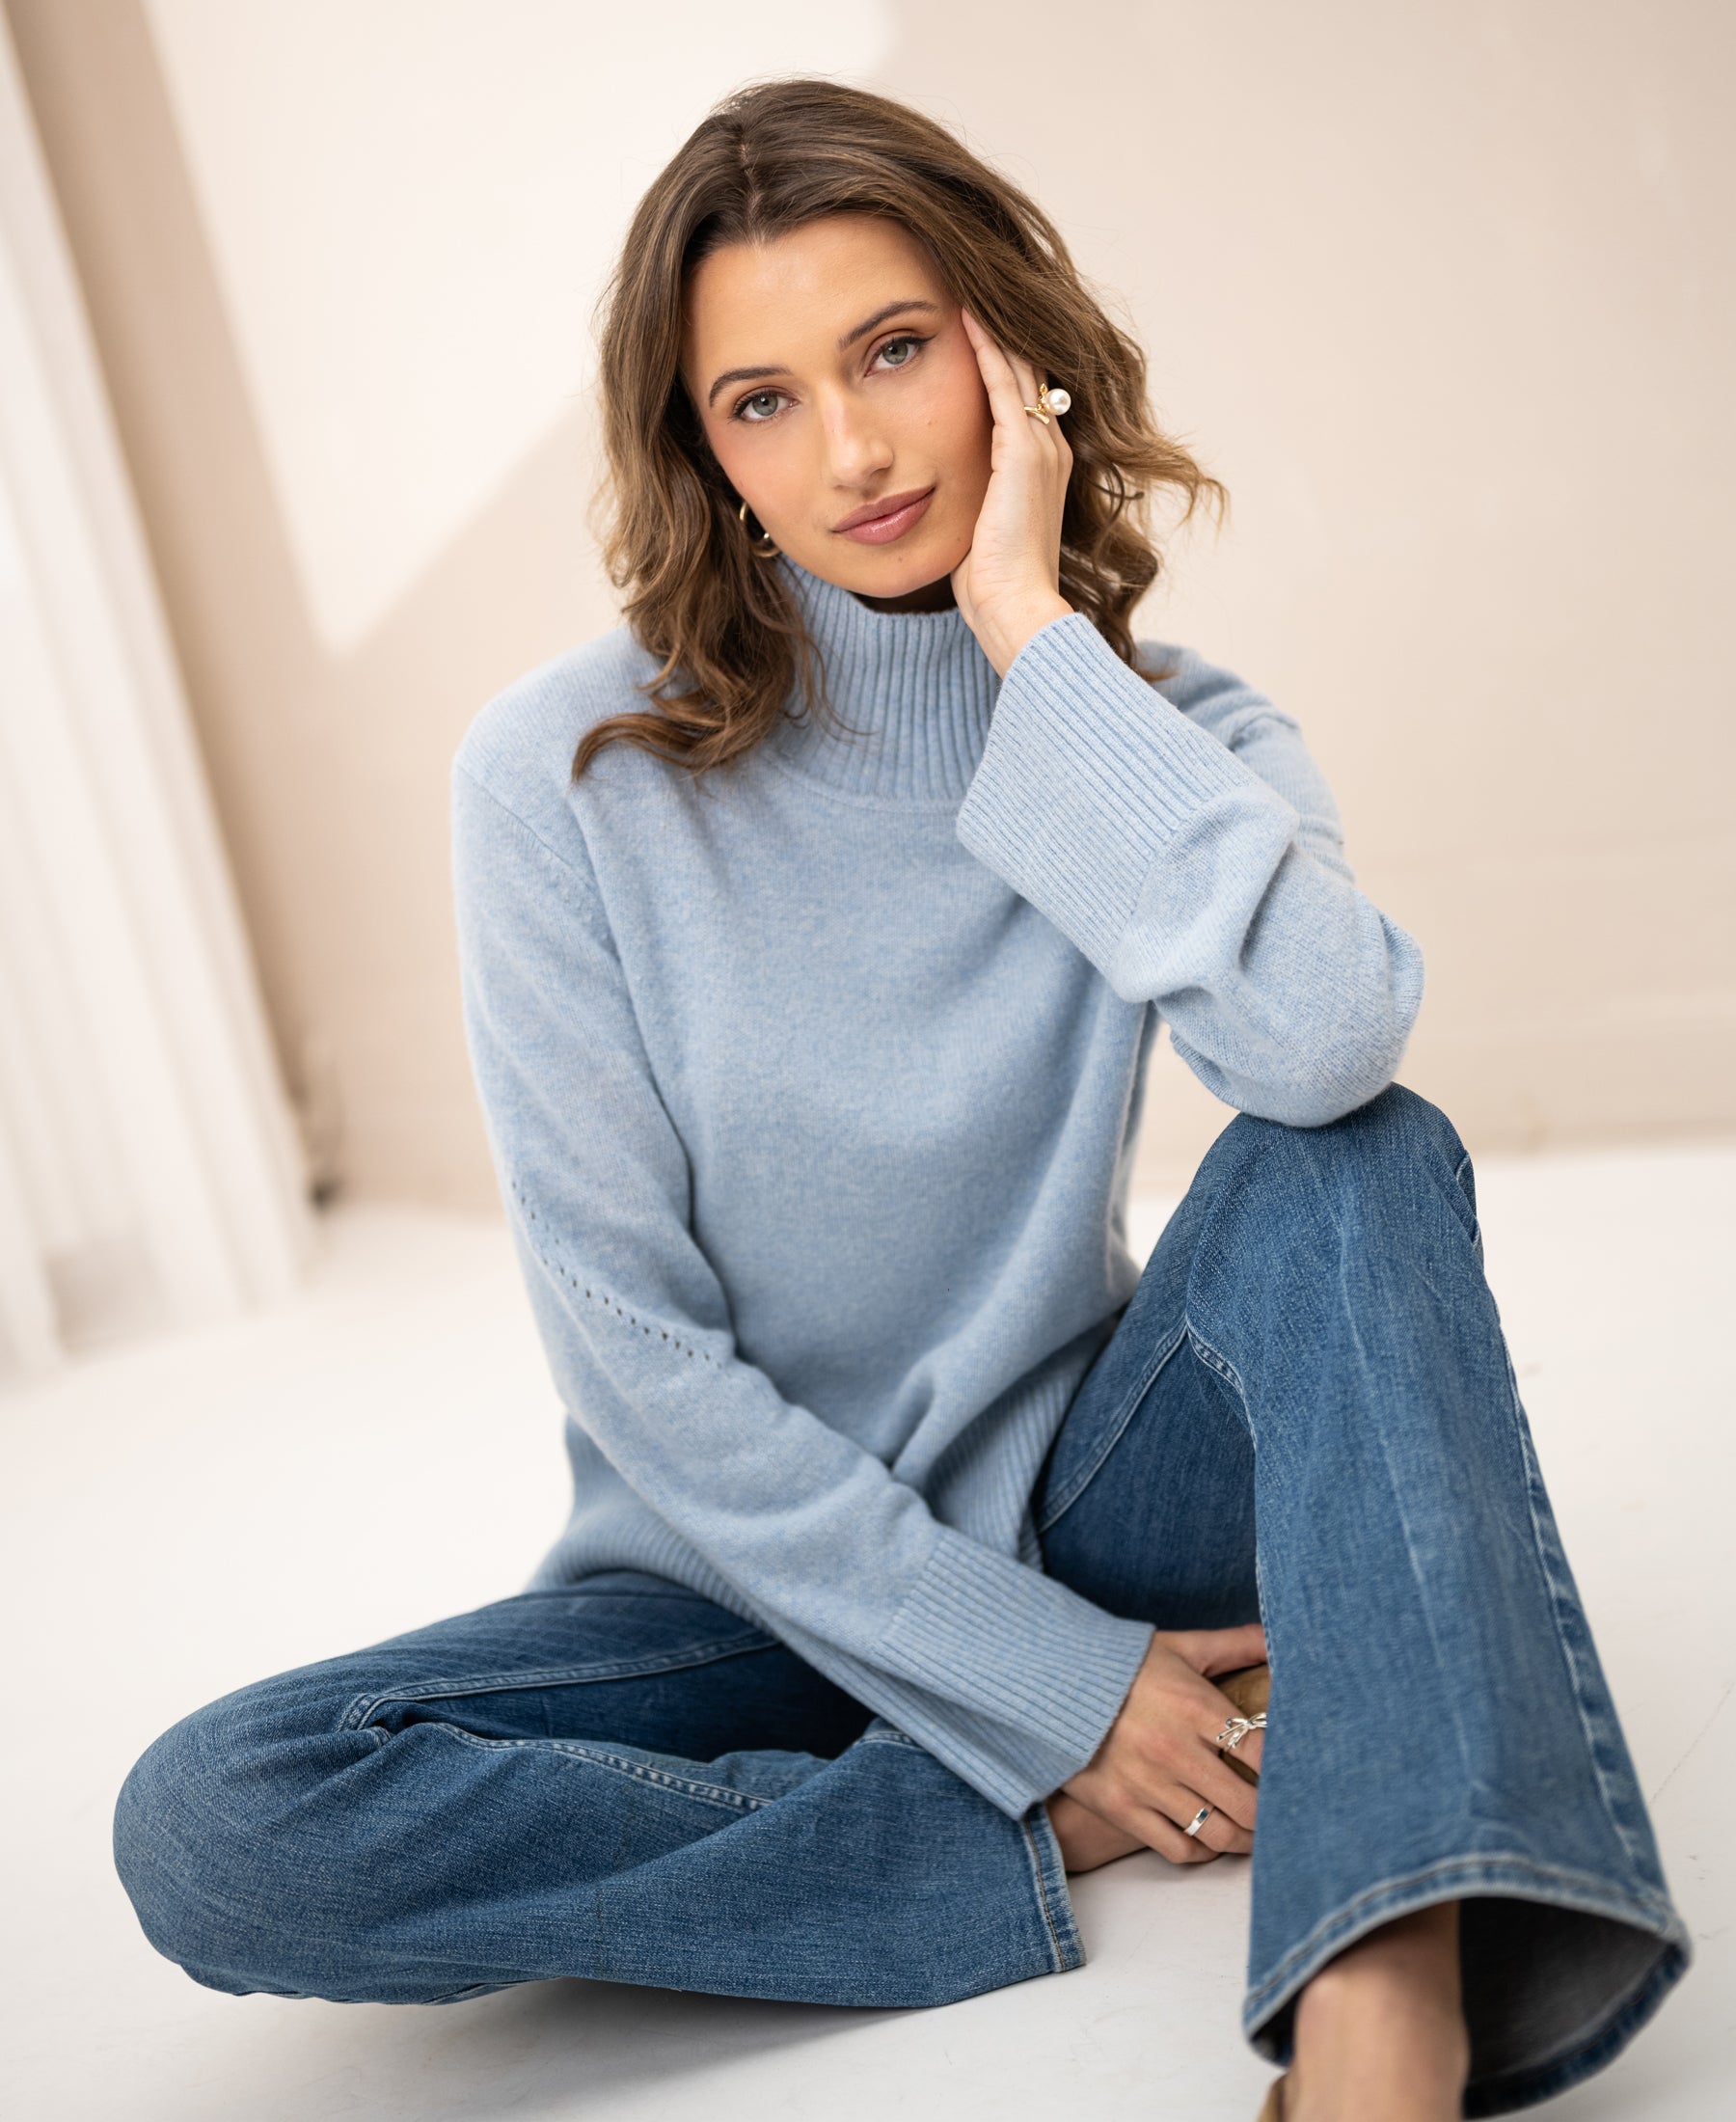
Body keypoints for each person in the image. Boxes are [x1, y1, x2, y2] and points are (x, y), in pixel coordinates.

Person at [112, 79, 1689, 2120]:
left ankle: (1386, 2005)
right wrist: (1058, 1705)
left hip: (1092, 1494)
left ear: (1005, 355)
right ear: (703, 452)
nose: (849, 450)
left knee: (1368, 1152)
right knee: (221, 1816)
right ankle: (1045, 1821)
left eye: (890, 352)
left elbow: (1320, 1047)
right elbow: (639, 1363)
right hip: (734, 1577)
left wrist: (1036, 645)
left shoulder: (1162, 732)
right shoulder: (560, 776)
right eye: (760, 400)